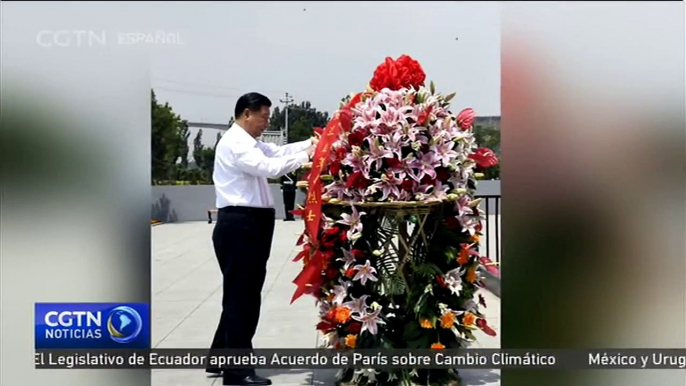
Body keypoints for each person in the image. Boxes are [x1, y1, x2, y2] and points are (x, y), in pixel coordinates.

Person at [207, 92, 317, 386]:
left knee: (238, 294)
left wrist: (312, 143)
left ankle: (220, 356)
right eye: (263, 117)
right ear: (246, 114)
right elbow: (270, 167)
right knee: (243, 298)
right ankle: (237, 371)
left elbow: (277, 152)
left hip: (249, 224)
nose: (265, 123)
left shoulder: (249, 142)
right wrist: (306, 156)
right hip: (242, 225)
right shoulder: (236, 143)